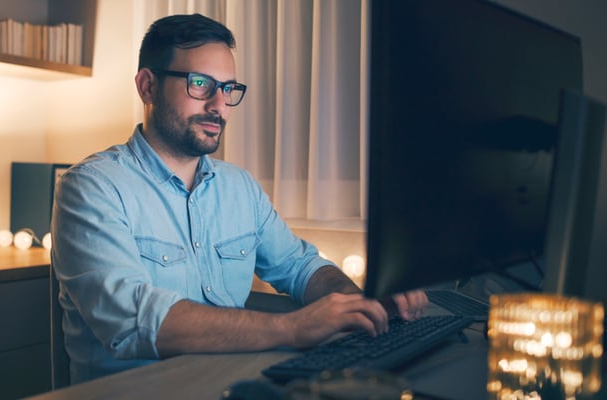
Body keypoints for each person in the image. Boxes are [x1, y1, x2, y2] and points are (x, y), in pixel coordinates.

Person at [50, 13, 428, 384]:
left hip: (230, 385)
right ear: (148, 86)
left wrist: (360, 301)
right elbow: (134, 320)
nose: (219, 105)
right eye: (200, 84)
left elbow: (300, 267)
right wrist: (293, 328)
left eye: (228, 88)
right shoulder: (92, 187)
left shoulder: (240, 187)